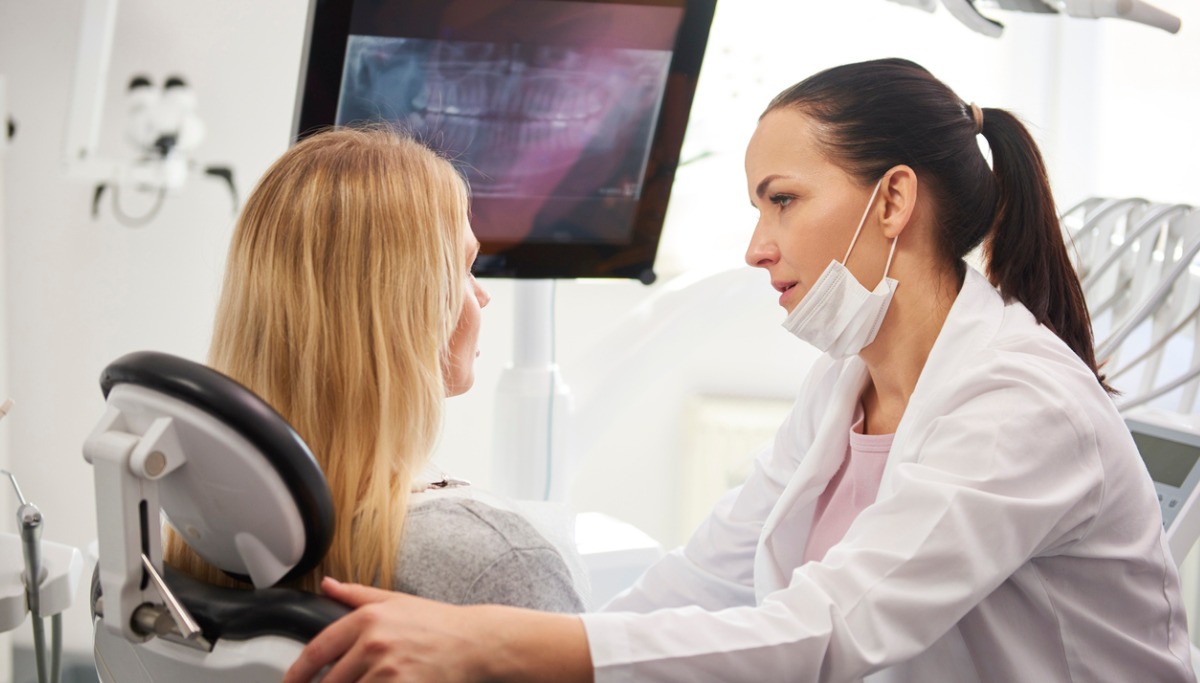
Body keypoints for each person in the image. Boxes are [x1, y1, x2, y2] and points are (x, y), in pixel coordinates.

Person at [282, 58, 1196, 683]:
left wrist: (494, 644)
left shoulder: (1019, 404)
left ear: (894, 201)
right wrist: (556, 647)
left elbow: (834, 629)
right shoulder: (847, 383)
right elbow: (704, 579)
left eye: (784, 201)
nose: (759, 247)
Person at [163, 126, 584, 613]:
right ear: (406, 310)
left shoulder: (189, 540)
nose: (482, 294)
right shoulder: (491, 562)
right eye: (465, 268)